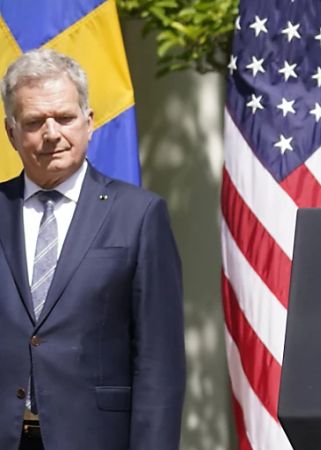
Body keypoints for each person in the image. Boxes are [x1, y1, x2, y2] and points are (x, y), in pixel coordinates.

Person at [0, 49, 185, 449]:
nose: (51, 134)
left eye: (64, 118)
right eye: (34, 122)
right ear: (11, 132)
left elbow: (159, 364)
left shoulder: (139, 215)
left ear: (89, 123)